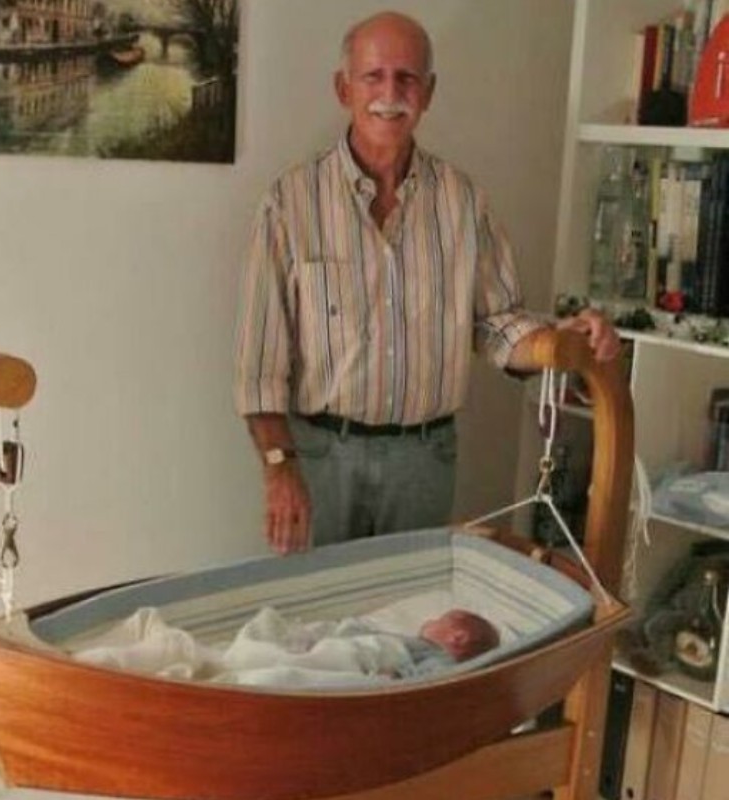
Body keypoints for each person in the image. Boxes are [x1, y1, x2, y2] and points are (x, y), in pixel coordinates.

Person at [232, 11, 621, 554]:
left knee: (413, 605)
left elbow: (498, 324)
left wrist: (563, 340)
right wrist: (280, 469)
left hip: (423, 463)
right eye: (373, 76)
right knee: (313, 607)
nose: (390, 94)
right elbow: (259, 371)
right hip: (321, 459)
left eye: (407, 78)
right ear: (343, 88)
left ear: (429, 92)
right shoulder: (289, 203)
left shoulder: (463, 201)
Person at [216, 606, 501, 688]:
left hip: (365, 663)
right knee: (269, 634)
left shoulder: (439, 656)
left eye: (442, 619)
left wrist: (399, 677)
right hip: (344, 649)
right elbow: (363, 635)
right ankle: (240, 665)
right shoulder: (409, 641)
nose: (430, 620)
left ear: (457, 638)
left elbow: (432, 680)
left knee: (286, 677)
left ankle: (242, 677)